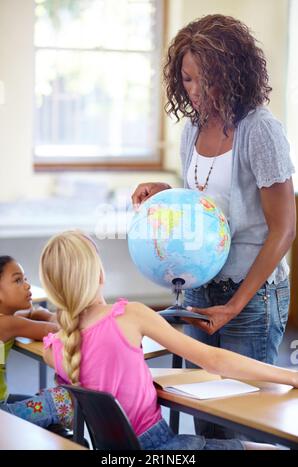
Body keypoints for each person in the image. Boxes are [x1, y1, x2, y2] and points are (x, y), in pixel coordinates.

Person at [131, 14, 296, 438]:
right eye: (187, 80)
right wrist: (164, 190)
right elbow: (208, 203)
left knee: (243, 418)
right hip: (204, 290)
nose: (196, 91)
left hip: (253, 297)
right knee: (204, 416)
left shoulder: (260, 131)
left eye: (207, 80)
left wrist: (236, 305)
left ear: (235, 74)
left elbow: (284, 227)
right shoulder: (192, 128)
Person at [4, 230, 296, 450]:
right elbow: (215, 360)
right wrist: (288, 376)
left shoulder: (55, 347)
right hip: (164, 450)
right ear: (98, 273)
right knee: (271, 449)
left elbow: (103, 371)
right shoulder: (130, 315)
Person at [0, 255, 58, 403]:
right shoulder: (7, 324)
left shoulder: (7, 319)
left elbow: (32, 313)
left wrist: (41, 313)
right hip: (2, 410)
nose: (27, 285)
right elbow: (52, 330)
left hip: (4, 400)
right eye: (18, 280)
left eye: (25, 279)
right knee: (61, 404)